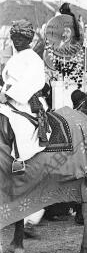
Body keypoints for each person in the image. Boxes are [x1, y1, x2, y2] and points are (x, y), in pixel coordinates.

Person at [0, 20, 48, 173]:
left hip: (27, 101)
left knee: (18, 123)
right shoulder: (15, 58)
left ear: (28, 39)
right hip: (9, 99)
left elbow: (29, 83)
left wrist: (8, 95)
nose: (17, 42)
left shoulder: (34, 59)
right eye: (14, 39)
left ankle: (19, 160)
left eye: (20, 38)